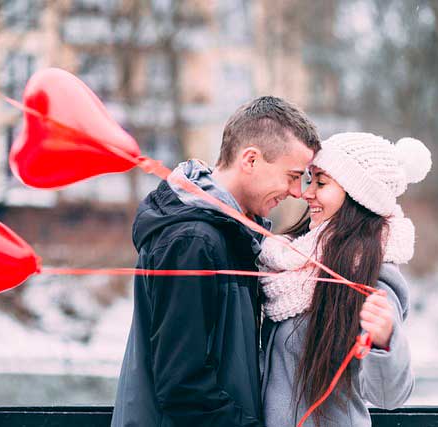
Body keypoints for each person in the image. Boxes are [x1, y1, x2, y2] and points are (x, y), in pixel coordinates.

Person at [111, 96, 321, 427]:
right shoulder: (193, 241)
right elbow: (183, 386)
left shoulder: (232, 235)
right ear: (250, 160)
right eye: (292, 176)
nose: (297, 191)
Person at [259, 132, 432, 427]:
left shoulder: (371, 276)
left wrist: (384, 341)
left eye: (321, 183)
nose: (307, 193)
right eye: (310, 180)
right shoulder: (287, 264)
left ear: (357, 195)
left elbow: (389, 396)